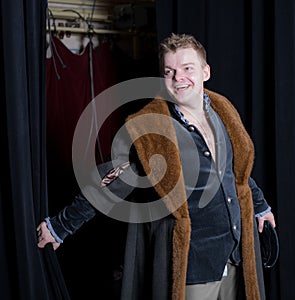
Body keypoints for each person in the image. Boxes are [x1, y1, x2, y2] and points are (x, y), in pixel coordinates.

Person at [37, 33, 276, 300]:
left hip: (235, 255)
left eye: (188, 68)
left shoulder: (224, 111)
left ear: (205, 72)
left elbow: (235, 172)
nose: (178, 78)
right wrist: (62, 225)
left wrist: (261, 206)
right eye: (169, 71)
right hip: (193, 265)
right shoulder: (152, 129)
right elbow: (113, 182)